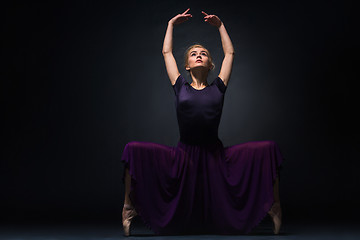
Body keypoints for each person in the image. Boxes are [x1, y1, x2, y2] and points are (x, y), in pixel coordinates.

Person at [121, 8, 283, 236]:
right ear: (186, 65)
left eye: (204, 53)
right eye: (193, 53)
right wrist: (170, 24)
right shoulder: (180, 87)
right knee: (132, 150)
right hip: (183, 157)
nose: (198, 54)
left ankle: (274, 207)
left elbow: (230, 54)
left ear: (210, 65)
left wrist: (220, 26)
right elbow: (167, 52)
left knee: (269, 150)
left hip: (215, 157)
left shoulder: (218, 86)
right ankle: (129, 208)